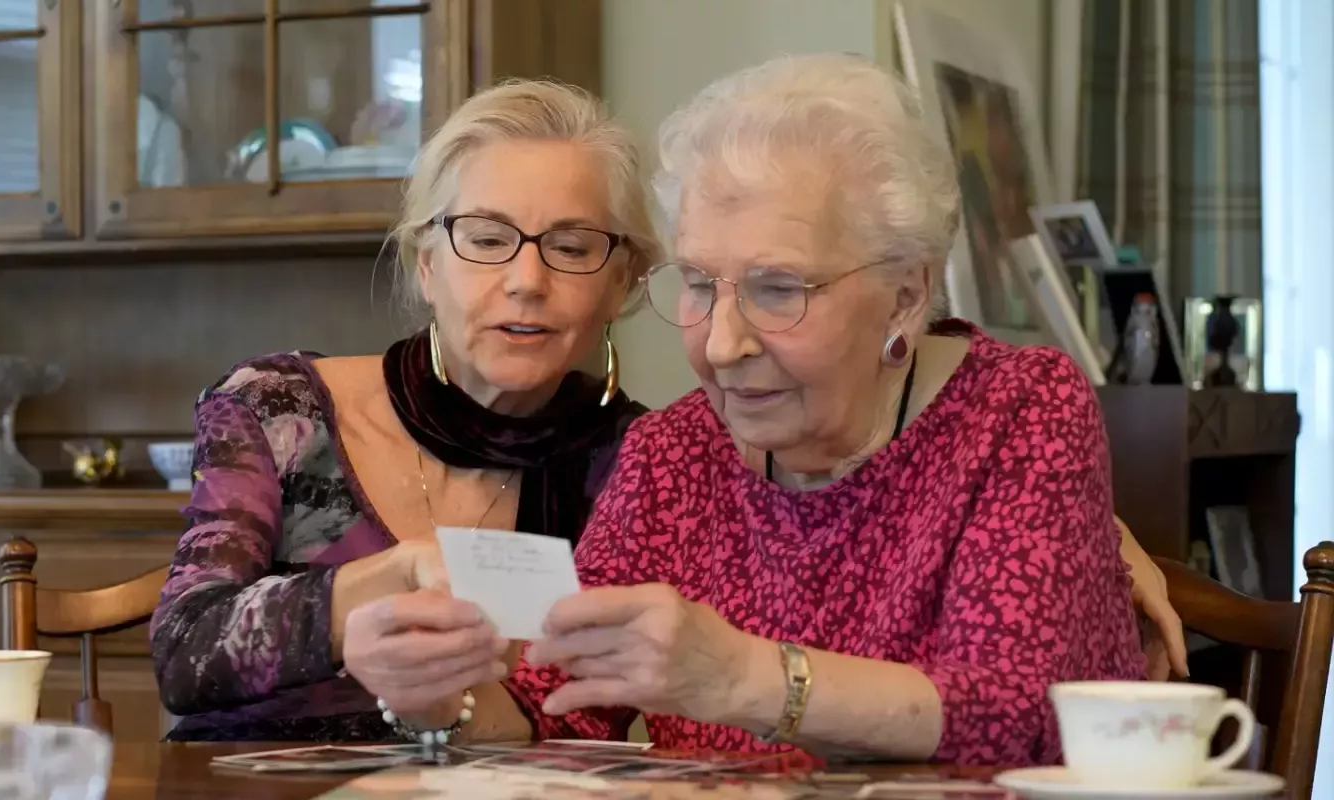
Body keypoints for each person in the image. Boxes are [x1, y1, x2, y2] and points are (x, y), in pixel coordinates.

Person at [154, 72, 1182, 745]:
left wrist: (741, 676)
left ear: (907, 293)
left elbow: (1013, 710)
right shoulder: (675, 451)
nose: (725, 342)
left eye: (779, 287)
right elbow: (561, 716)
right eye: (701, 284)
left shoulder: (1018, 410)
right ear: (425, 258)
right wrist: (441, 699)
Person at [148, 79, 662, 741]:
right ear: (427, 266)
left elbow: (590, 719)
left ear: (620, 281)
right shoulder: (279, 410)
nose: (528, 282)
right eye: (485, 239)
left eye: (570, 248)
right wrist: (374, 586)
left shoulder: (639, 461)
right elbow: (184, 654)